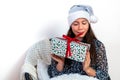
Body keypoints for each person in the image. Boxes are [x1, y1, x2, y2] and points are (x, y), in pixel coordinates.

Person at [47, 4, 111, 80]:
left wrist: (87, 69)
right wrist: (61, 63)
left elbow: (104, 75)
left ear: (89, 24)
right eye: (75, 24)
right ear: (71, 25)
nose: (80, 28)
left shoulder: (98, 45)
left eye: (84, 23)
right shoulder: (62, 45)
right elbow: (52, 76)